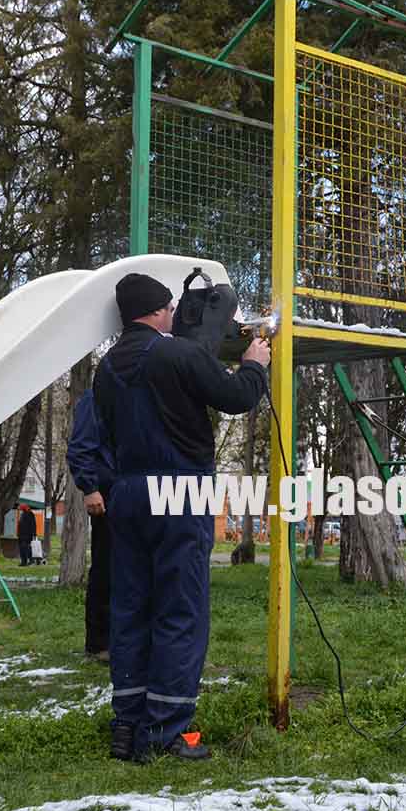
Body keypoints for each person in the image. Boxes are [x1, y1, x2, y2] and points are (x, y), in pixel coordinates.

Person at [94, 271, 270, 762]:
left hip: (126, 492)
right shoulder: (178, 354)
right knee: (179, 609)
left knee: (130, 609)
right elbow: (236, 398)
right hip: (178, 490)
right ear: (153, 311)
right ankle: (168, 731)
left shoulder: (107, 367)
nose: (175, 315)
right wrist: (255, 364)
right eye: (169, 308)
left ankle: (127, 728)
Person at [67, 387, 114, 661]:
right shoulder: (98, 395)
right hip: (108, 492)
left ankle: (122, 639)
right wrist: (89, 487)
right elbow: (80, 445)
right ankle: (98, 644)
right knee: (107, 566)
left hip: (133, 489)